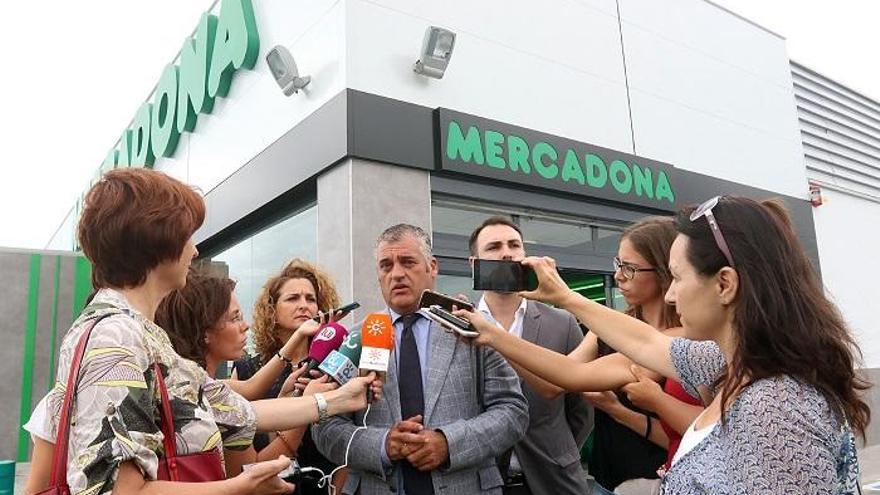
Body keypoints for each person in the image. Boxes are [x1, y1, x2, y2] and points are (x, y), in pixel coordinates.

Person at [457, 196, 868, 493]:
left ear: (724, 284)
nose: (671, 296)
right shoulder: (724, 362)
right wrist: (557, 301)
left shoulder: (775, 409)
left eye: (679, 278)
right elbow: (647, 344)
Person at [23, 168, 379, 495]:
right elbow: (122, 491)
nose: (195, 249)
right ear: (156, 240)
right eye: (189, 235)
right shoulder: (115, 337)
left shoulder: (137, 332)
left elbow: (238, 410)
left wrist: (341, 398)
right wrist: (237, 488)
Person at [313, 223, 529, 494]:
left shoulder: (474, 327)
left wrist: (448, 444)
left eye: (408, 262)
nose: (397, 274)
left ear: (433, 267)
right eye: (386, 266)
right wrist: (381, 445)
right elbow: (325, 427)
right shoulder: (354, 340)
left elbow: (512, 412)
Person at [467, 216, 592, 495]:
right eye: (494, 247)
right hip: (482, 481)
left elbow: (581, 409)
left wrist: (560, 451)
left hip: (554, 479)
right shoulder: (460, 325)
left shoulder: (563, 323)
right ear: (474, 262)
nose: (506, 252)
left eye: (514, 245)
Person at [229, 259, 348, 493]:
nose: (304, 306)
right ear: (271, 310)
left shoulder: (337, 362)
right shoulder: (248, 370)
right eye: (293, 298)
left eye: (311, 299)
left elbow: (348, 441)